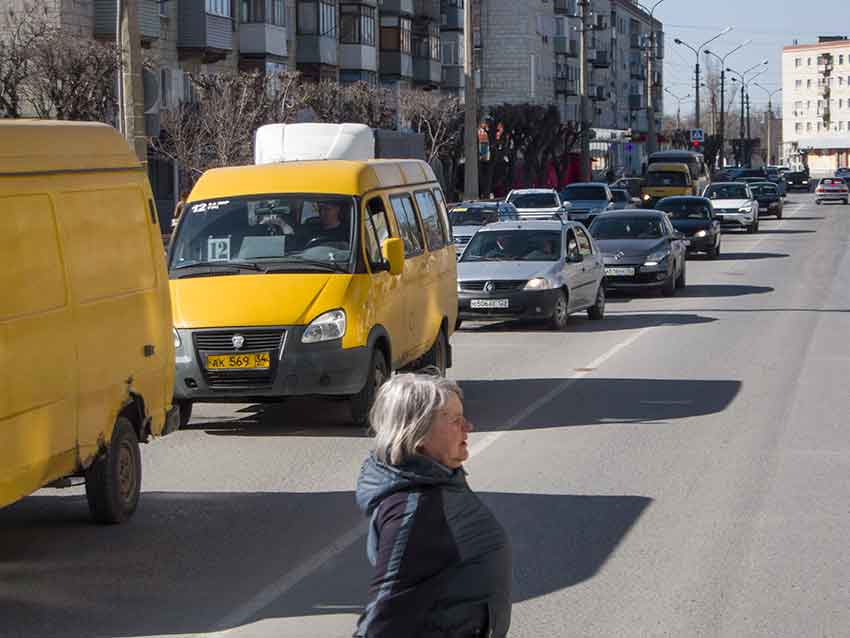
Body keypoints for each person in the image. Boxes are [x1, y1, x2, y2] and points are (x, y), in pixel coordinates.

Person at [354, 373, 512, 638]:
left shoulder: (439, 477)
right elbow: (382, 614)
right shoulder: (414, 507)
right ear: (417, 433)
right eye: (454, 420)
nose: (468, 426)